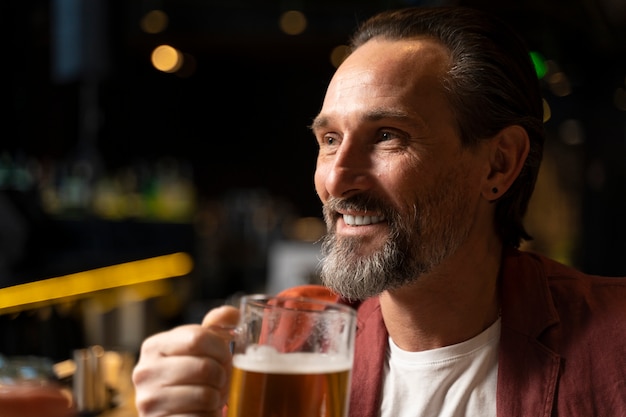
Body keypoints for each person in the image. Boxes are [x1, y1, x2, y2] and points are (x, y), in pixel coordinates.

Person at [131, 6, 626, 417]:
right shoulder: (291, 338)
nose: (336, 179)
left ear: (498, 164)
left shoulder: (613, 341)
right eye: (329, 140)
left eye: (387, 135)